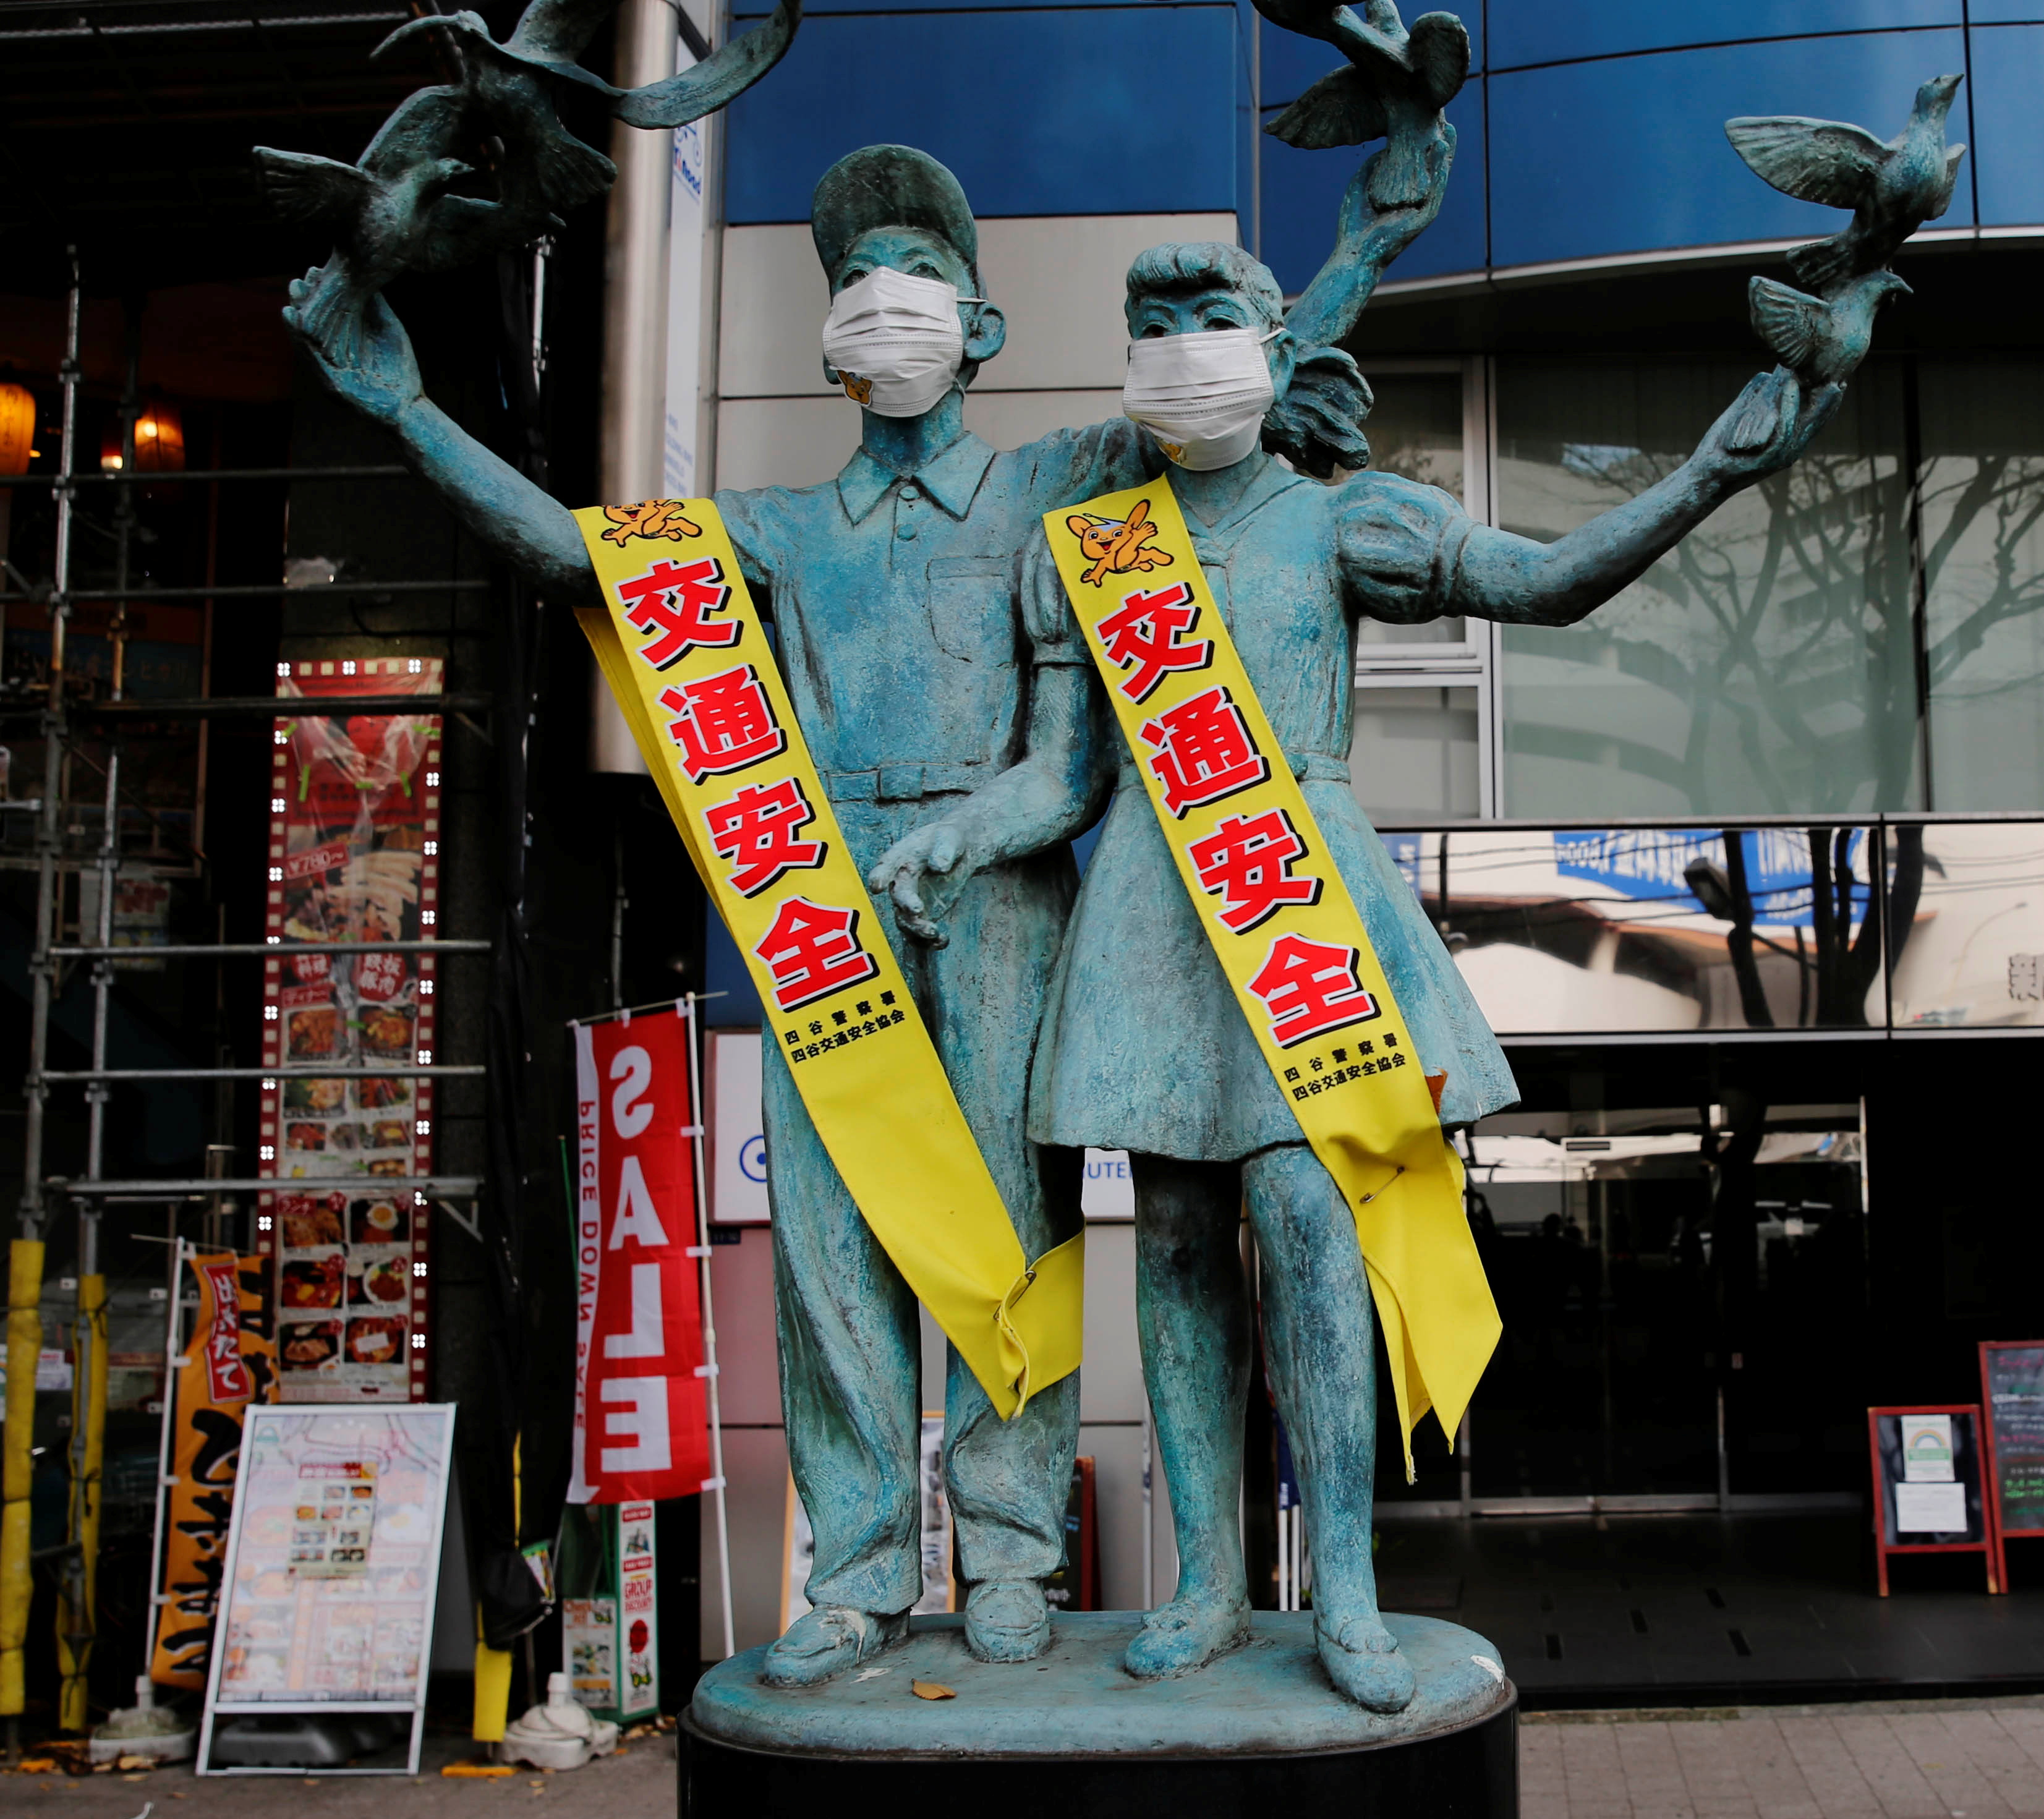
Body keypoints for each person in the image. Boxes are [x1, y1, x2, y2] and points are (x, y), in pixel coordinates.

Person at [289, 141, 1439, 1689]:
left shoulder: (1065, 476)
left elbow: (1229, 366)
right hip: (820, 889)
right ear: (829, 332)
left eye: (923, 285)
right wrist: (404, 407)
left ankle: (1013, 1554)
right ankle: (854, 1571)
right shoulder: (771, 529)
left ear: (983, 332)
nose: (884, 307)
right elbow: (569, 547)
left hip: (1008, 881)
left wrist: (1362, 240)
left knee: (1013, 1230)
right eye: (855, 286)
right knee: (829, 1237)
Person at [880, 239, 1842, 1710]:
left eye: (1212, 319)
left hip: (1293, 898)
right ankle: (1208, 1584)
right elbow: (1061, 777)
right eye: (1155, 322)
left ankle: (1346, 1586)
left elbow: (1547, 579)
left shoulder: (1340, 520)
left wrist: (1709, 471)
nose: (1183, 344)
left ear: (1272, 349)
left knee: (1308, 1223)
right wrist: (957, 831)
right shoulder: (1087, 547)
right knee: (1184, 1246)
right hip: (1148, 901)